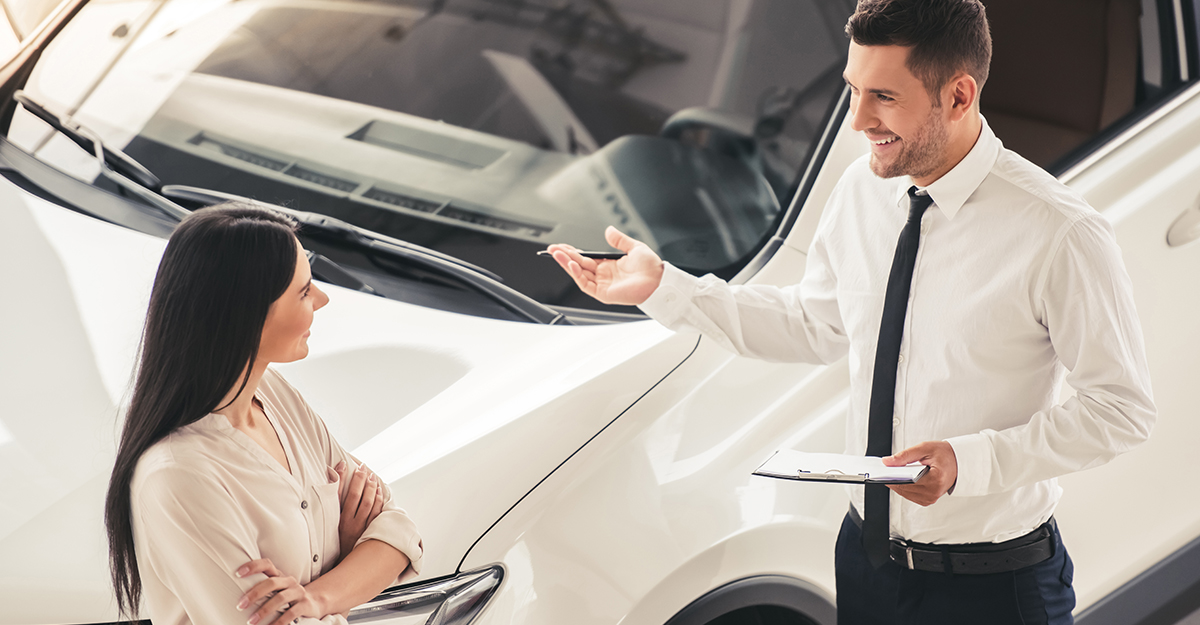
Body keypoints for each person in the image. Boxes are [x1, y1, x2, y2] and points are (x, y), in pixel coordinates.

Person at [547, 1, 1155, 623]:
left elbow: (1121, 410)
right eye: (853, 91)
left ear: (958, 95)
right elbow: (816, 325)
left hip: (995, 587)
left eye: (884, 97)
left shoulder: (1060, 233)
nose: (859, 119)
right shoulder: (862, 191)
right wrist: (666, 289)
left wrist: (966, 463)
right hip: (867, 563)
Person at [104, 204, 423, 625]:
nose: (323, 299)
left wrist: (318, 598)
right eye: (305, 291)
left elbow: (398, 532)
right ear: (247, 314)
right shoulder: (180, 477)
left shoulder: (274, 396)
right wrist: (349, 560)